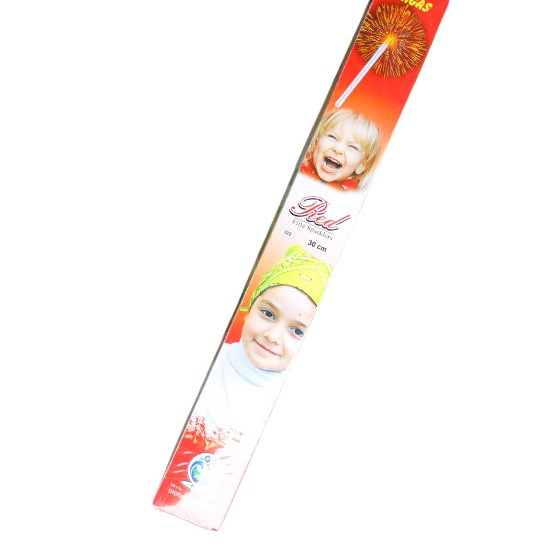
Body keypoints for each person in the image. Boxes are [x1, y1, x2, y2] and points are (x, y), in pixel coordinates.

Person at [154, 245, 332, 529]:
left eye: (297, 330)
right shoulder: (211, 360)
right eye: (268, 314)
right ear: (249, 308)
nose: (272, 335)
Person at [301, 109, 380, 190]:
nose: (338, 149)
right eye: (332, 137)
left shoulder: (352, 195)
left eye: (352, 146)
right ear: (316, 142)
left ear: (361, 165)